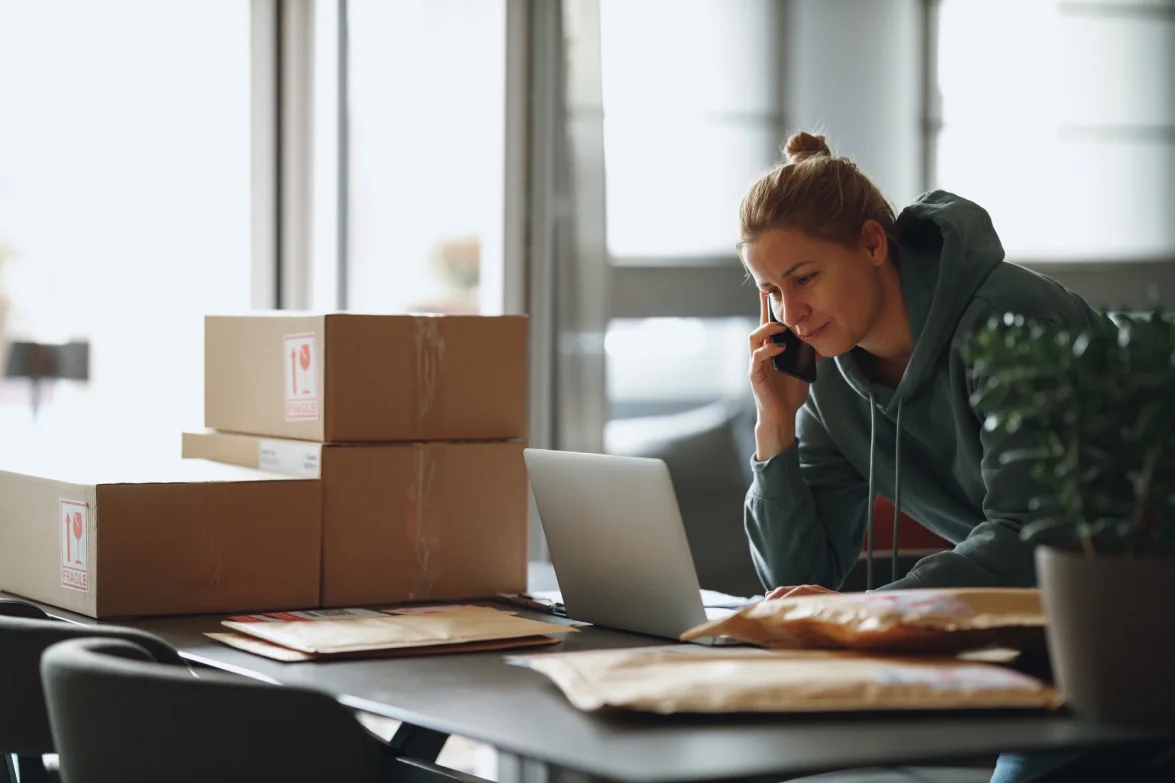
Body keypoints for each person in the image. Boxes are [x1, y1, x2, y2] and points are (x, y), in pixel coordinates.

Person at [738, 131, 1103, 783]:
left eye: (804, 279)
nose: (790, 315)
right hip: (1043, 636)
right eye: (770, 291)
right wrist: (776, 419)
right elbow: (797, 573)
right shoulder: (833, 376)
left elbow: (1035, 537)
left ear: (873, 244)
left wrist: (871, 611)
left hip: (1130, 622)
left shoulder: (1013, 319)